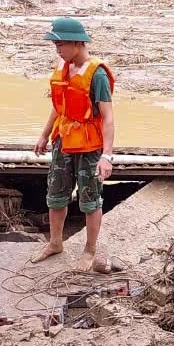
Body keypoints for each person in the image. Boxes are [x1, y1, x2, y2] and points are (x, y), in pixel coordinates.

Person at [31, 18, 116, 273]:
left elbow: (108, 117)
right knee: (55, 195)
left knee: (90, 200)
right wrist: (45, 135)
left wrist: (107, 156)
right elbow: (59, 107)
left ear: (78, 43)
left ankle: (90, 250)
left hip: (89, 146)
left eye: (61, 44)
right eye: (55, 44)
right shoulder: (63, 68)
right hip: (63, 140)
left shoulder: (97, 74)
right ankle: (55, 242)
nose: (57, 49)